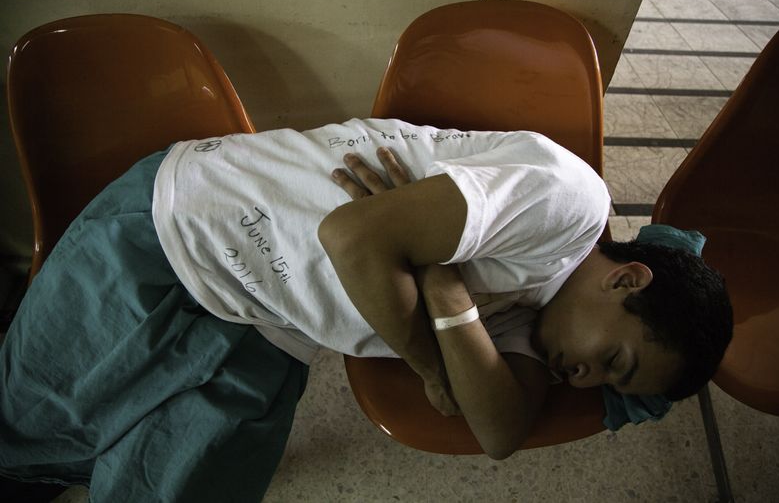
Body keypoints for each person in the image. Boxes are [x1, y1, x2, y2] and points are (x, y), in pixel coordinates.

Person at [0, 118, 733, 501]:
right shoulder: (568, 206)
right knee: (30, 416)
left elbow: (500, 430)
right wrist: (431, 365)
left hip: (272, 325)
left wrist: (443, 282)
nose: (585, 378)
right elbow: (351, 236)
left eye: (605, 382)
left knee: (181, 482)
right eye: (614, 361)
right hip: (188, 226)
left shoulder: (537, 321)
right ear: (627, 280)